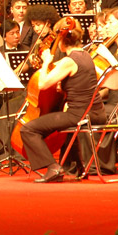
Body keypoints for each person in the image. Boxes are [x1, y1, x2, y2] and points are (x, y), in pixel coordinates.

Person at [20, 18, 107, 182]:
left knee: (28, 129)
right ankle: (79, 168)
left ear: (61, 40)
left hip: (79, 115)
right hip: (96, 113)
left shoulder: (69, 60)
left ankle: (53, 167)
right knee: (66, 128)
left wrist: (46, 62)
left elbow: (43, 83)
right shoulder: (86, 55)